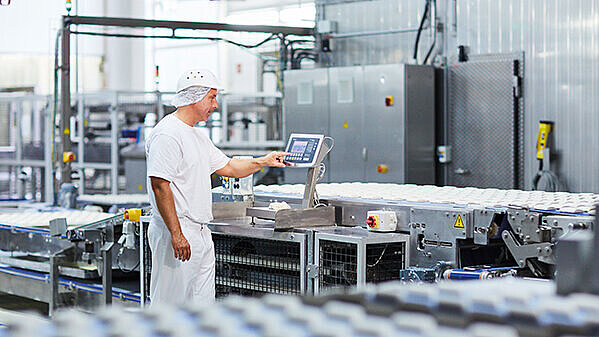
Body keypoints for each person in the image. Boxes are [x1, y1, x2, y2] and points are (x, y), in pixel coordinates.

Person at [145, 68, 289, 305]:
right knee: (170, 307)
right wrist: (177, 234)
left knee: (202, 305)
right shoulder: (168, 134)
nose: (216, 105)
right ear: (194, 97)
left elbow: (230, 167)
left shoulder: (198, 137)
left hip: (201, 231)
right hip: (178, 231)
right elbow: (160, 185)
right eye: (212, 97)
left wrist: (264, 161)